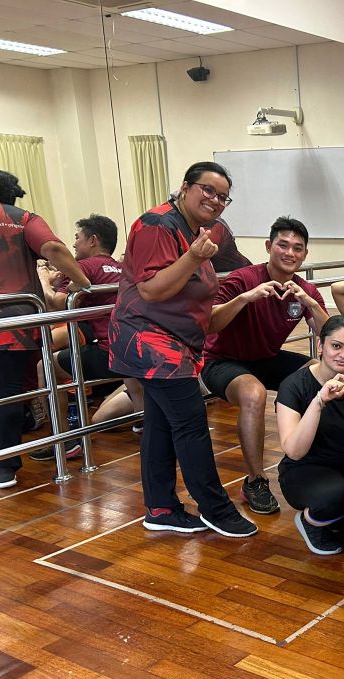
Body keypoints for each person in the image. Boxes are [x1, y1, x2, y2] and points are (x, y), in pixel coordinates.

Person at [108, 161, 256, 537]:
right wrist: (194, 257)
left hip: (178, 346)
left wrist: (245, 297)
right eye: (208, 190)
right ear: (186, 187)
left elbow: (201, 311)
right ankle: (216, 510)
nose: (216, 200)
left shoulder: (199, 232)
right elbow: (151, 290)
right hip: (150, 343)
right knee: (191, 425)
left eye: (223, 197)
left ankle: (161, 508)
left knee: (160, 426)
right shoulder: (157, 224)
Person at [202, 216, 328, 514]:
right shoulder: (243, 279)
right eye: (283, 245)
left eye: (297, 248)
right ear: (269, 246)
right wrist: (245, 299)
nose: (290, 253)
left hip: (266, 358)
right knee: (254, 393)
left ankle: (314, 460)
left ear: (305, 254)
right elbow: (210, 323)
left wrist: (310, 304)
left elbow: (330, 334)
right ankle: (255, 481)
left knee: (320, 374)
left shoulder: (304, 290)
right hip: (222, 360)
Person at [0, 168, 90, 489]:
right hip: (13, 325)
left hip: (3, 321)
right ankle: (2, 466)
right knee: (4, 394)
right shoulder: (21, 218)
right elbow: (53, 249)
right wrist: (82, 281)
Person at [30, 214, 142, 461]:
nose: (73, 244)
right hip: (136, 348)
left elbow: (57, 304)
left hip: (110, 353)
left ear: (93, 240)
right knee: (133, 380)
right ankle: (145, 423)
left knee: (45, 367)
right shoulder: (124, 268)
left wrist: (44, 281)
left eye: (77, 238)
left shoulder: (85, 267)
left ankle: (64, 441)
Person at [276, 316, 344, 556]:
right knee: (337, 496)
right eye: (336, 346)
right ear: (321, 345)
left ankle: (339, 517)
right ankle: (310, 521)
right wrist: (319, 401)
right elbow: (295, 451)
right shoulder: (294, 385)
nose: (343, 355)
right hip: (304, 469)